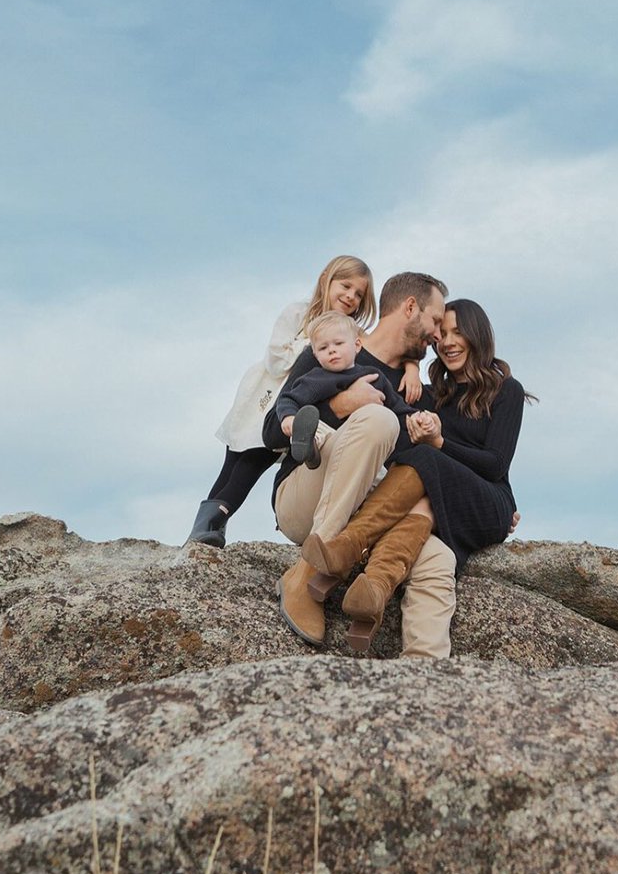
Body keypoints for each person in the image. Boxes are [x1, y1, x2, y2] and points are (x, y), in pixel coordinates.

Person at [301, 298, 532, 650]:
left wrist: (440, 443)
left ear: (478, 335)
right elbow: (402, 449)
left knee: (427, 458)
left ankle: (348, 547)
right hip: (435, 500)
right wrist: (411, 366)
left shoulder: (506, 390)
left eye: (458, 333)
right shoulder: (428, 393)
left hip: (488, 502)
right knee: (422, 499)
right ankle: (375, 587)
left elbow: (495, 465)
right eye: (443, 334)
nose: (448, 342)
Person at [263, 271, 457, 657]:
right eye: (436, 320)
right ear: (410, 307)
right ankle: (305, 575)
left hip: (363, 518)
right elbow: (271, 430)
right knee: (378, 419)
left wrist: (424, 428)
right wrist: (339, 406)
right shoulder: (328, 352)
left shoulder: (412, 388)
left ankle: (426, 671)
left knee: (438, 557)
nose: (439, 335)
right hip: (306, 498)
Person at [186, 255, 419, 548]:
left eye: (358, 294)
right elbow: (275, 356)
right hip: (264, 397)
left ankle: (212, 522)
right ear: (327, 281)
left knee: (254, 461)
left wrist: (412, 365)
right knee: (233, 461)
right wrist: (312, 348)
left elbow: (378, 349)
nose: (350, 296)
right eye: (345, 286)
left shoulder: (349, 333)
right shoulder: (300, 314)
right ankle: (206, 526)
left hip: (296, 407)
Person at [275, 312, 414, 469]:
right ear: (315, 355)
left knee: (382, 467)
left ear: (357, 346)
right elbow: (289, 399)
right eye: (323, 347)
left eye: (339, 343)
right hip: (328, 450)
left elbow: (398, 408)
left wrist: (417, 419)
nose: (331, 350)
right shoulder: (316, 379)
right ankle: (309, 447)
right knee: (312, 424)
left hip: (364, 453)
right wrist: (288, 417)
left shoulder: (373, 376)